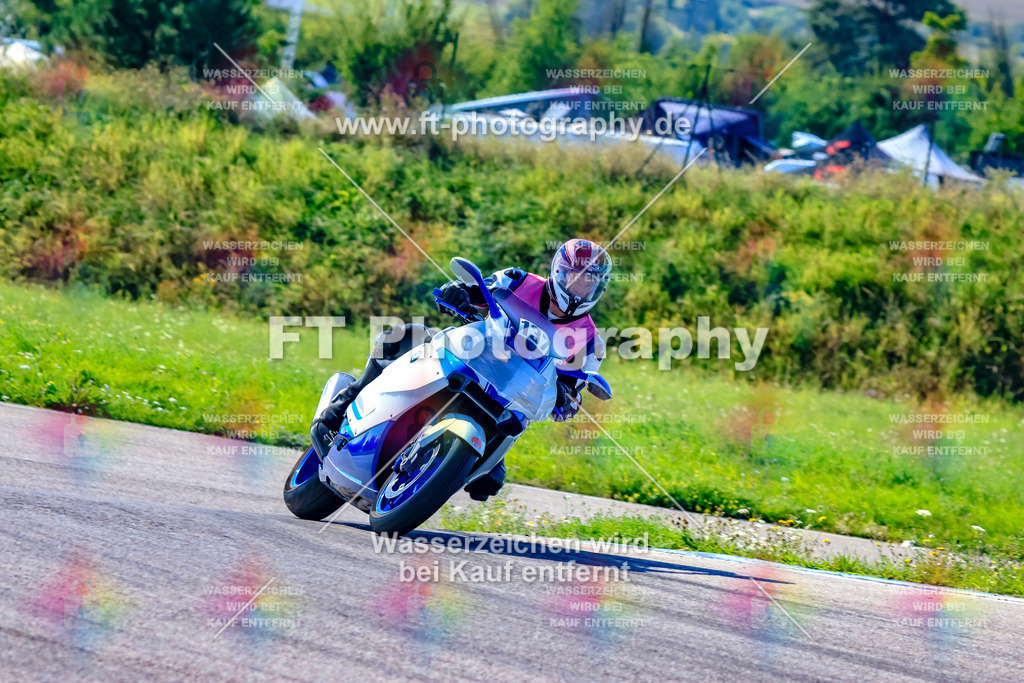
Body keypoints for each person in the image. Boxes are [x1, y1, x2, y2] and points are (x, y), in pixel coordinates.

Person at [310, 239, 612, 500]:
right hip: (473, 355)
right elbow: (477, 290)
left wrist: (566, 399)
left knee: (488, 483)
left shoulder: (592, 343)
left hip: (511, 400)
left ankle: (439, 472)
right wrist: (458, 293)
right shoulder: (517, 280)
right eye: (574, 277)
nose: (579, 286)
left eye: (588, 282)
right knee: (405, 337)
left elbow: (572, 392)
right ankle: (340, 407)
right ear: (557, 270)